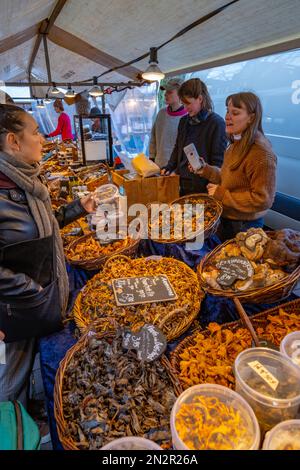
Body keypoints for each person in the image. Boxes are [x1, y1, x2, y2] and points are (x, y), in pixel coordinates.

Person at [0, 104, 96, 406]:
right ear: (13, 142)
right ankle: (12, 429)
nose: (43, 139)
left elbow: (45, 225)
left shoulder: (26, 182)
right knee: (10, 378)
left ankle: (27, 410)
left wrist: (79, 208)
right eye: (36, 132)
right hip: (16, 311)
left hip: (38, 301)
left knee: (26, 368)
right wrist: (34, 292)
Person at [189, 92, 277, 241]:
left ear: (252, 118)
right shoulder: (236, 144)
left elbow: (263, 199)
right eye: (227, 111)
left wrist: (221, 194)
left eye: (235, 113)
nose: (227, 117)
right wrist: (206, 170)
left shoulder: (261, 153)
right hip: (228, 219)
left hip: (245, 226)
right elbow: (228, 177)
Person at [161, 78, 227, 196]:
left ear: (200, 99)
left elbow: (218, 161)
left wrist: (212, 186)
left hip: (203, 187)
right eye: (183, 103)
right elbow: (178, 147)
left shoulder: (217, 123)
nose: (185, 108)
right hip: (182, 182)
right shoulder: (184, 121)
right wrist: (170, 166)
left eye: (188, 103)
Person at [149, 78, 187, 168]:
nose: (165, 94)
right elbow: (153, 137)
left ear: (181, 94)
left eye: (170, 92)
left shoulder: (187, 117)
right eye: (166, 91)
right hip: (158, 165)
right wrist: (151, 158)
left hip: (177, 169)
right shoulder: (161, 113)